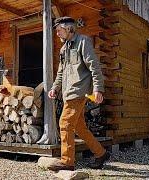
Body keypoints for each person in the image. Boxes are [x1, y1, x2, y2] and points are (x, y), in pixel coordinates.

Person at [48, 16, 110, 171]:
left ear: (69, 28)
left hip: (79, 91)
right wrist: (55, 88)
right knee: (79, 128)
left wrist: (98, 88)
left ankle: (67, 162)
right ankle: (101, 153)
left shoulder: (83, 42)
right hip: (68, 92)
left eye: (59, 30)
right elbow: (61, 73)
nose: (57, 34)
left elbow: (94, 67)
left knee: (65, 124)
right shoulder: (63, 49)